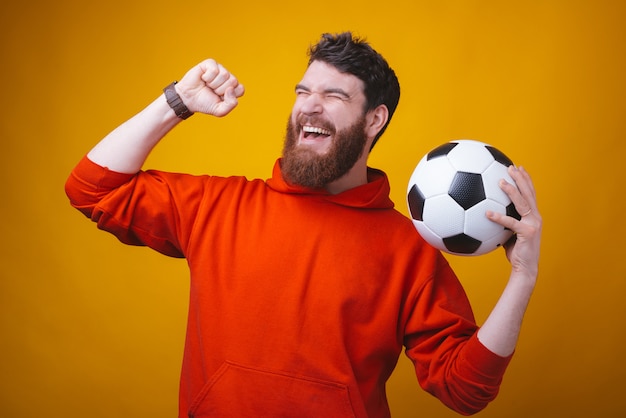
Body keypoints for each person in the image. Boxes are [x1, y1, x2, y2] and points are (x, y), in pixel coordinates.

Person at [65, 32, 542, 417]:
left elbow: (465, 390)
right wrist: (177, 102)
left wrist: (522, 277)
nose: (308, 107)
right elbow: (91, 189)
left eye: (332, 95)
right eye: (302, 92)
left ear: (374, 119)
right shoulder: (219, 206)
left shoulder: (409, 248)